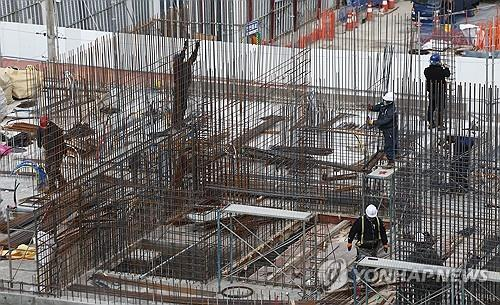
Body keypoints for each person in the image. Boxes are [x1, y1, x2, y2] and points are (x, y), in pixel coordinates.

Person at [172, 40, 200, 128]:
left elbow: (192, 58)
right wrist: (185, 48)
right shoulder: (177, 65)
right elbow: (182, 57)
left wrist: (196, 48)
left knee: (183, 106)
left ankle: (179, 121)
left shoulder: (186, 65)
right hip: (179, 88)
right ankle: (175, 122)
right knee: (178, 105)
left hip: (184, 88)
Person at [367, 92, 398, 167]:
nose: (384, 101)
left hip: (390, 129)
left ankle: (391, 161)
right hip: (385, 128)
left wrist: (373, 122)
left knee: (389, 144)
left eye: (386, 100)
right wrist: (372, 108)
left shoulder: (391, 110)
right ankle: (391, 156)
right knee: (389, 143)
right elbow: (379, 106)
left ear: (390, 102)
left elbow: (385, 120)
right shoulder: (385, 104)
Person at [36, 115, 66, 191]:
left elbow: (61, 140)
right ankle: (62, 182)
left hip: (57, 151)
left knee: (54, 169)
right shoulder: (39, 129)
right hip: (48, 151)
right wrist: (40, 145)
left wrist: (64, 151)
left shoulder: (54, 128)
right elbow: (39, 139)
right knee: (48, 169)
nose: (44, 128)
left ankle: (52, 187)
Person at [424, 53, 450, 129]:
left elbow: (430, 72)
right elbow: (447, 74)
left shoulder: (427, 71)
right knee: (440, 108)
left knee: (431, 107)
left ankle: (431, 123)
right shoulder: (441, 71)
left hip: (432, 92)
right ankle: (439, 124)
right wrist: (446, 67)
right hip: (440, 93)